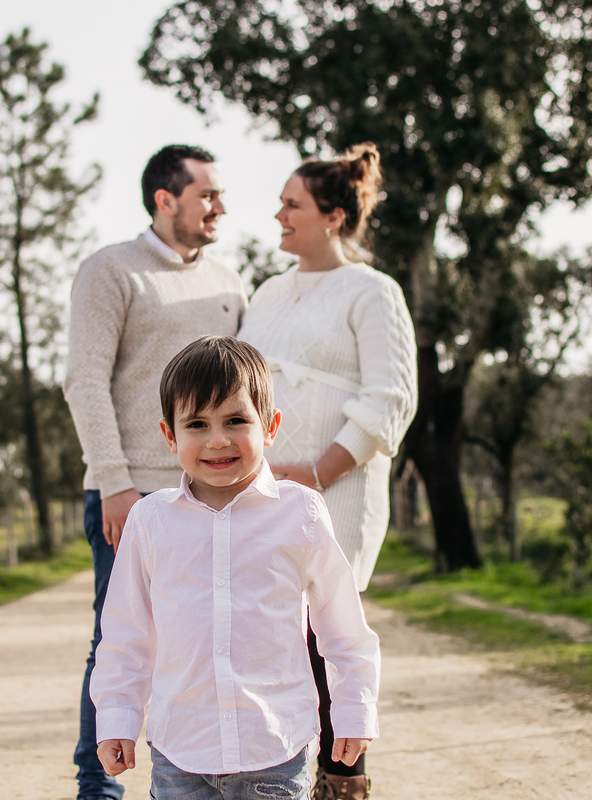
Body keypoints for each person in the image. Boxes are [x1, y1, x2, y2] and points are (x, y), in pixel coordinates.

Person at [90, 335, 381, 800]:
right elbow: (126, 635)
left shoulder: (301, 512)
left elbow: (343, 628)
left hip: (276, 751)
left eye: (236, 420)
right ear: (170, 436)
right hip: (180, 753)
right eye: (197, 424)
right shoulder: (150, 521)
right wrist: (117, 718)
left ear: (270, 425)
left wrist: (353, 710)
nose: (217, 439)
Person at [63, 145, 247, 800]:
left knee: (206, 646)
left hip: (215, 497)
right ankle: (101, 790)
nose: (220, 206)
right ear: (165, 200)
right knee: (121, 645)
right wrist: (114, 480)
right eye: (207, 195)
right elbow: (84, 380)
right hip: (132, 492)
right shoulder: (111, 271)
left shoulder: (229, 282)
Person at [237, 143, 417, 800]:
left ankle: (342, 784)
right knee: (274, 634)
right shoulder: (266, 292)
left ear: (334, 216)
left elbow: (389, 399)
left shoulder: (373, 292)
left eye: (293, 204)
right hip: (265, 493)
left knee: (327, 639)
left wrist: (315, 471)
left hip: (335, 490)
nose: (278, 214)